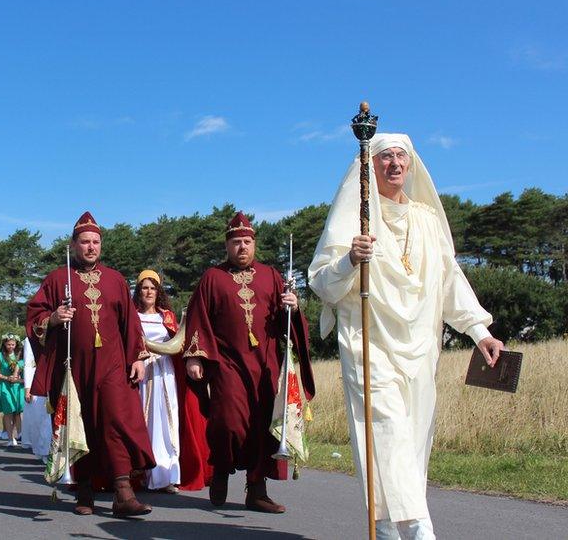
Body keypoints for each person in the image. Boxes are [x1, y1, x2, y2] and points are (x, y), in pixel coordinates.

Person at [308, 133, 503, 539]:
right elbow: (322, 283)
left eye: (401, 156)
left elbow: (451, 281)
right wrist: (349, 260)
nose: (394, 164)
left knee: (411, 442)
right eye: (385, 158)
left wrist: (478, 331)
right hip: (368, 343)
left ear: (411, 166)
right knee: (387, 429)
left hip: (420, 348)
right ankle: (418, 530)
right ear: (369, 167)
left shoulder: (428, 221)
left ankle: (384, 526)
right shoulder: (355, 221)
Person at [183, 212, 315, 512]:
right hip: (228, 364)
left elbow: (287, 325)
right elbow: (197, 319)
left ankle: (257, 490)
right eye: (236, 242)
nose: (242, 247)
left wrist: (292, 307)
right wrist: (194, 355)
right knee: (228, 423)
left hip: (266, 365)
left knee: (263, 427)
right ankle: (220, 469)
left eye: (247, 242)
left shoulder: (271, 275)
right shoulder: (212, 278)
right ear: (227, 246)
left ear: (254, 244)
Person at [27, 211, 155, 517]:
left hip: (112, 366)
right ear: (73, 245)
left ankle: (123, 492)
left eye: (95, 242)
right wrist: (54, 318)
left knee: (116, 422)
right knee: (78, 425)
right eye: (84, 241)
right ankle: (84, 490)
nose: (90, 247)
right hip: (74, 367)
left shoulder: (115, 280)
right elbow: (34, 317)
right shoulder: (59, 278)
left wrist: (137, 356)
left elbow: (130, 322)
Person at [134, 270, 181, 492]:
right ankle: (142, 473)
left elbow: (178, 343)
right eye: (145, 287)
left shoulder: (167, 317)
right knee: (144, 422)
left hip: (164, 373)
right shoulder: (132, 316)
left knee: (166, 422)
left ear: (158, 291)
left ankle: (167, 475)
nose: (149, 291)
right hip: (141, 374)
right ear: (138, 291)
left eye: (153, 287)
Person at [20, 338, 52, 460]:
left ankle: (47, 449)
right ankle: (43, 450)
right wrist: (28, 386)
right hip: (38, 381)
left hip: (54, 378)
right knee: (40, 417)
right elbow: (29, 363)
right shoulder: (32, 338)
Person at [0, 334, 25, 447]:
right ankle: (11, 438)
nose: (11, 346)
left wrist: (18, 379)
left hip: (17, 386)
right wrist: (7, 378)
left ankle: (20, 434)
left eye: (13, 344)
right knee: (8, 412)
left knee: (17, 411)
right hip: (5, 386)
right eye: (8, 344)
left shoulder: (19, 356)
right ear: (4, 344)